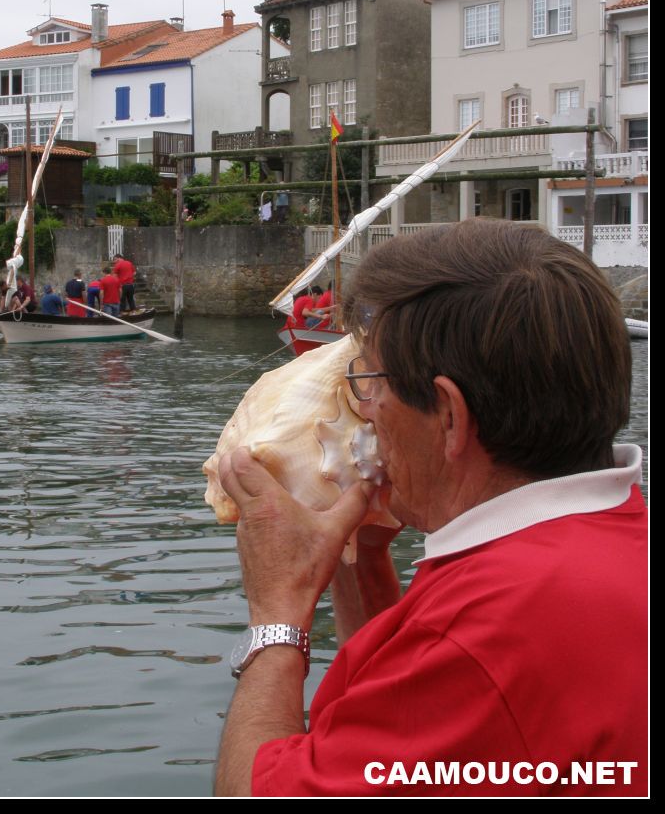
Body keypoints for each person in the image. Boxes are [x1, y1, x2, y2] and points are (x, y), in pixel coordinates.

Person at [214, 219, 647, 798]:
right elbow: (392, 718)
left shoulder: (490, 630)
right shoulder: (604, 537)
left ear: (448, 414)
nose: (365, 411)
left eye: (369, 383)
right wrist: (357, 561)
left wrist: (277, 613)